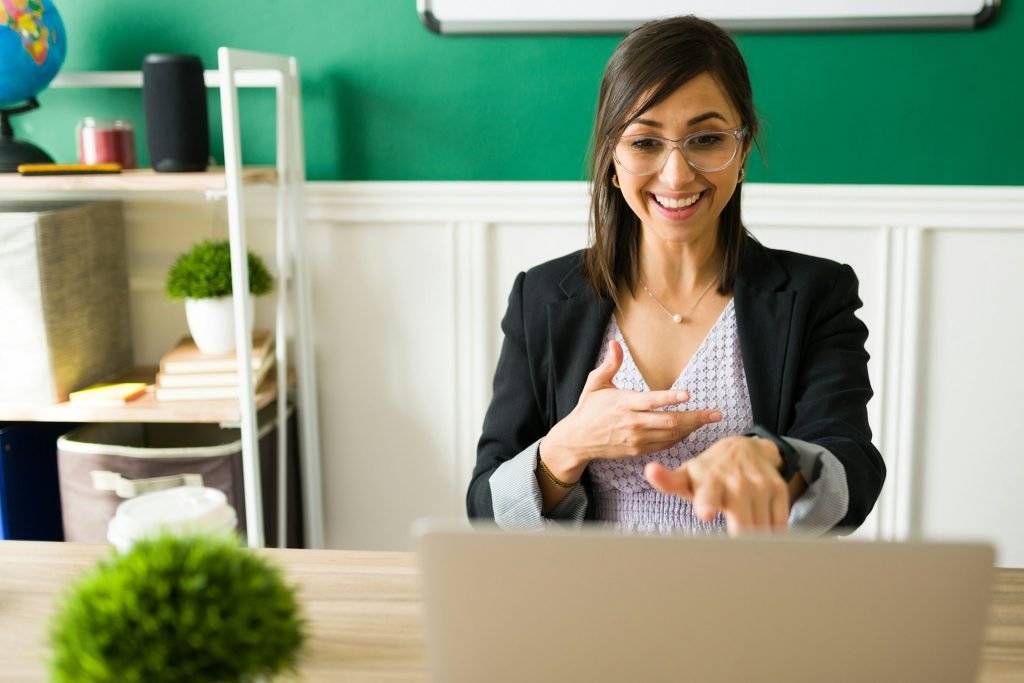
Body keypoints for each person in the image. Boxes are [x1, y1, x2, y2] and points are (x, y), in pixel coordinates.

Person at [467, 15, 885, 535]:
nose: (676, 174)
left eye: (706, 139)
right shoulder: (542, 295)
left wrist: (777, 464)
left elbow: (855, 473)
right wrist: (568, 445)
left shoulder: (818, 293)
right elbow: (485, 509)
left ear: (743, 151)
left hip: (752, 606)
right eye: (645, 143)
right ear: (612, 161)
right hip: (587, 607)